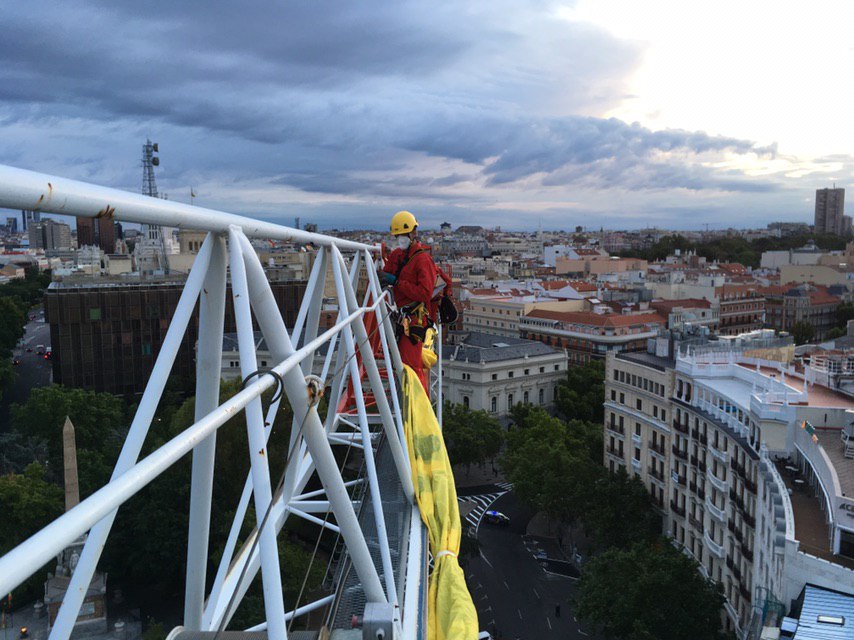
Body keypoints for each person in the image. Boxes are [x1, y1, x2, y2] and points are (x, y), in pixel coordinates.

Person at [379, 210, 439, 392]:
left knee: (411, 366)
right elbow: (386, 273)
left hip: (414, 320)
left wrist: (397, 282)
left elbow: (424, 293)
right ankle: (409, 403)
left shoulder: (423, 260)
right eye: (397, 236)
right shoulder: (398, 255)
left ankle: (417, 411)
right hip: (401, 316)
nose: (400, 239)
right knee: (403, 363)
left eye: (403, 235)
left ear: (413, 234)